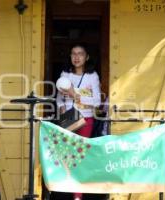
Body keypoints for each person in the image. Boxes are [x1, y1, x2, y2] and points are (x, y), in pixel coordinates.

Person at [56, 44, 101, 200]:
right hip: (68, 118)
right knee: (67, 156)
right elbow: (59, 99)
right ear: (70, 56)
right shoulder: (64, 74)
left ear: (86, 57)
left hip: (86, 118)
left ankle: (78, 196)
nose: (76, 57)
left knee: (80, 156)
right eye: (73, 54)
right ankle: (63, 192)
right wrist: (63, 112)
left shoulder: (92, 76)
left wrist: (76, 95)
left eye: (80, 54)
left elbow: (97, 101)